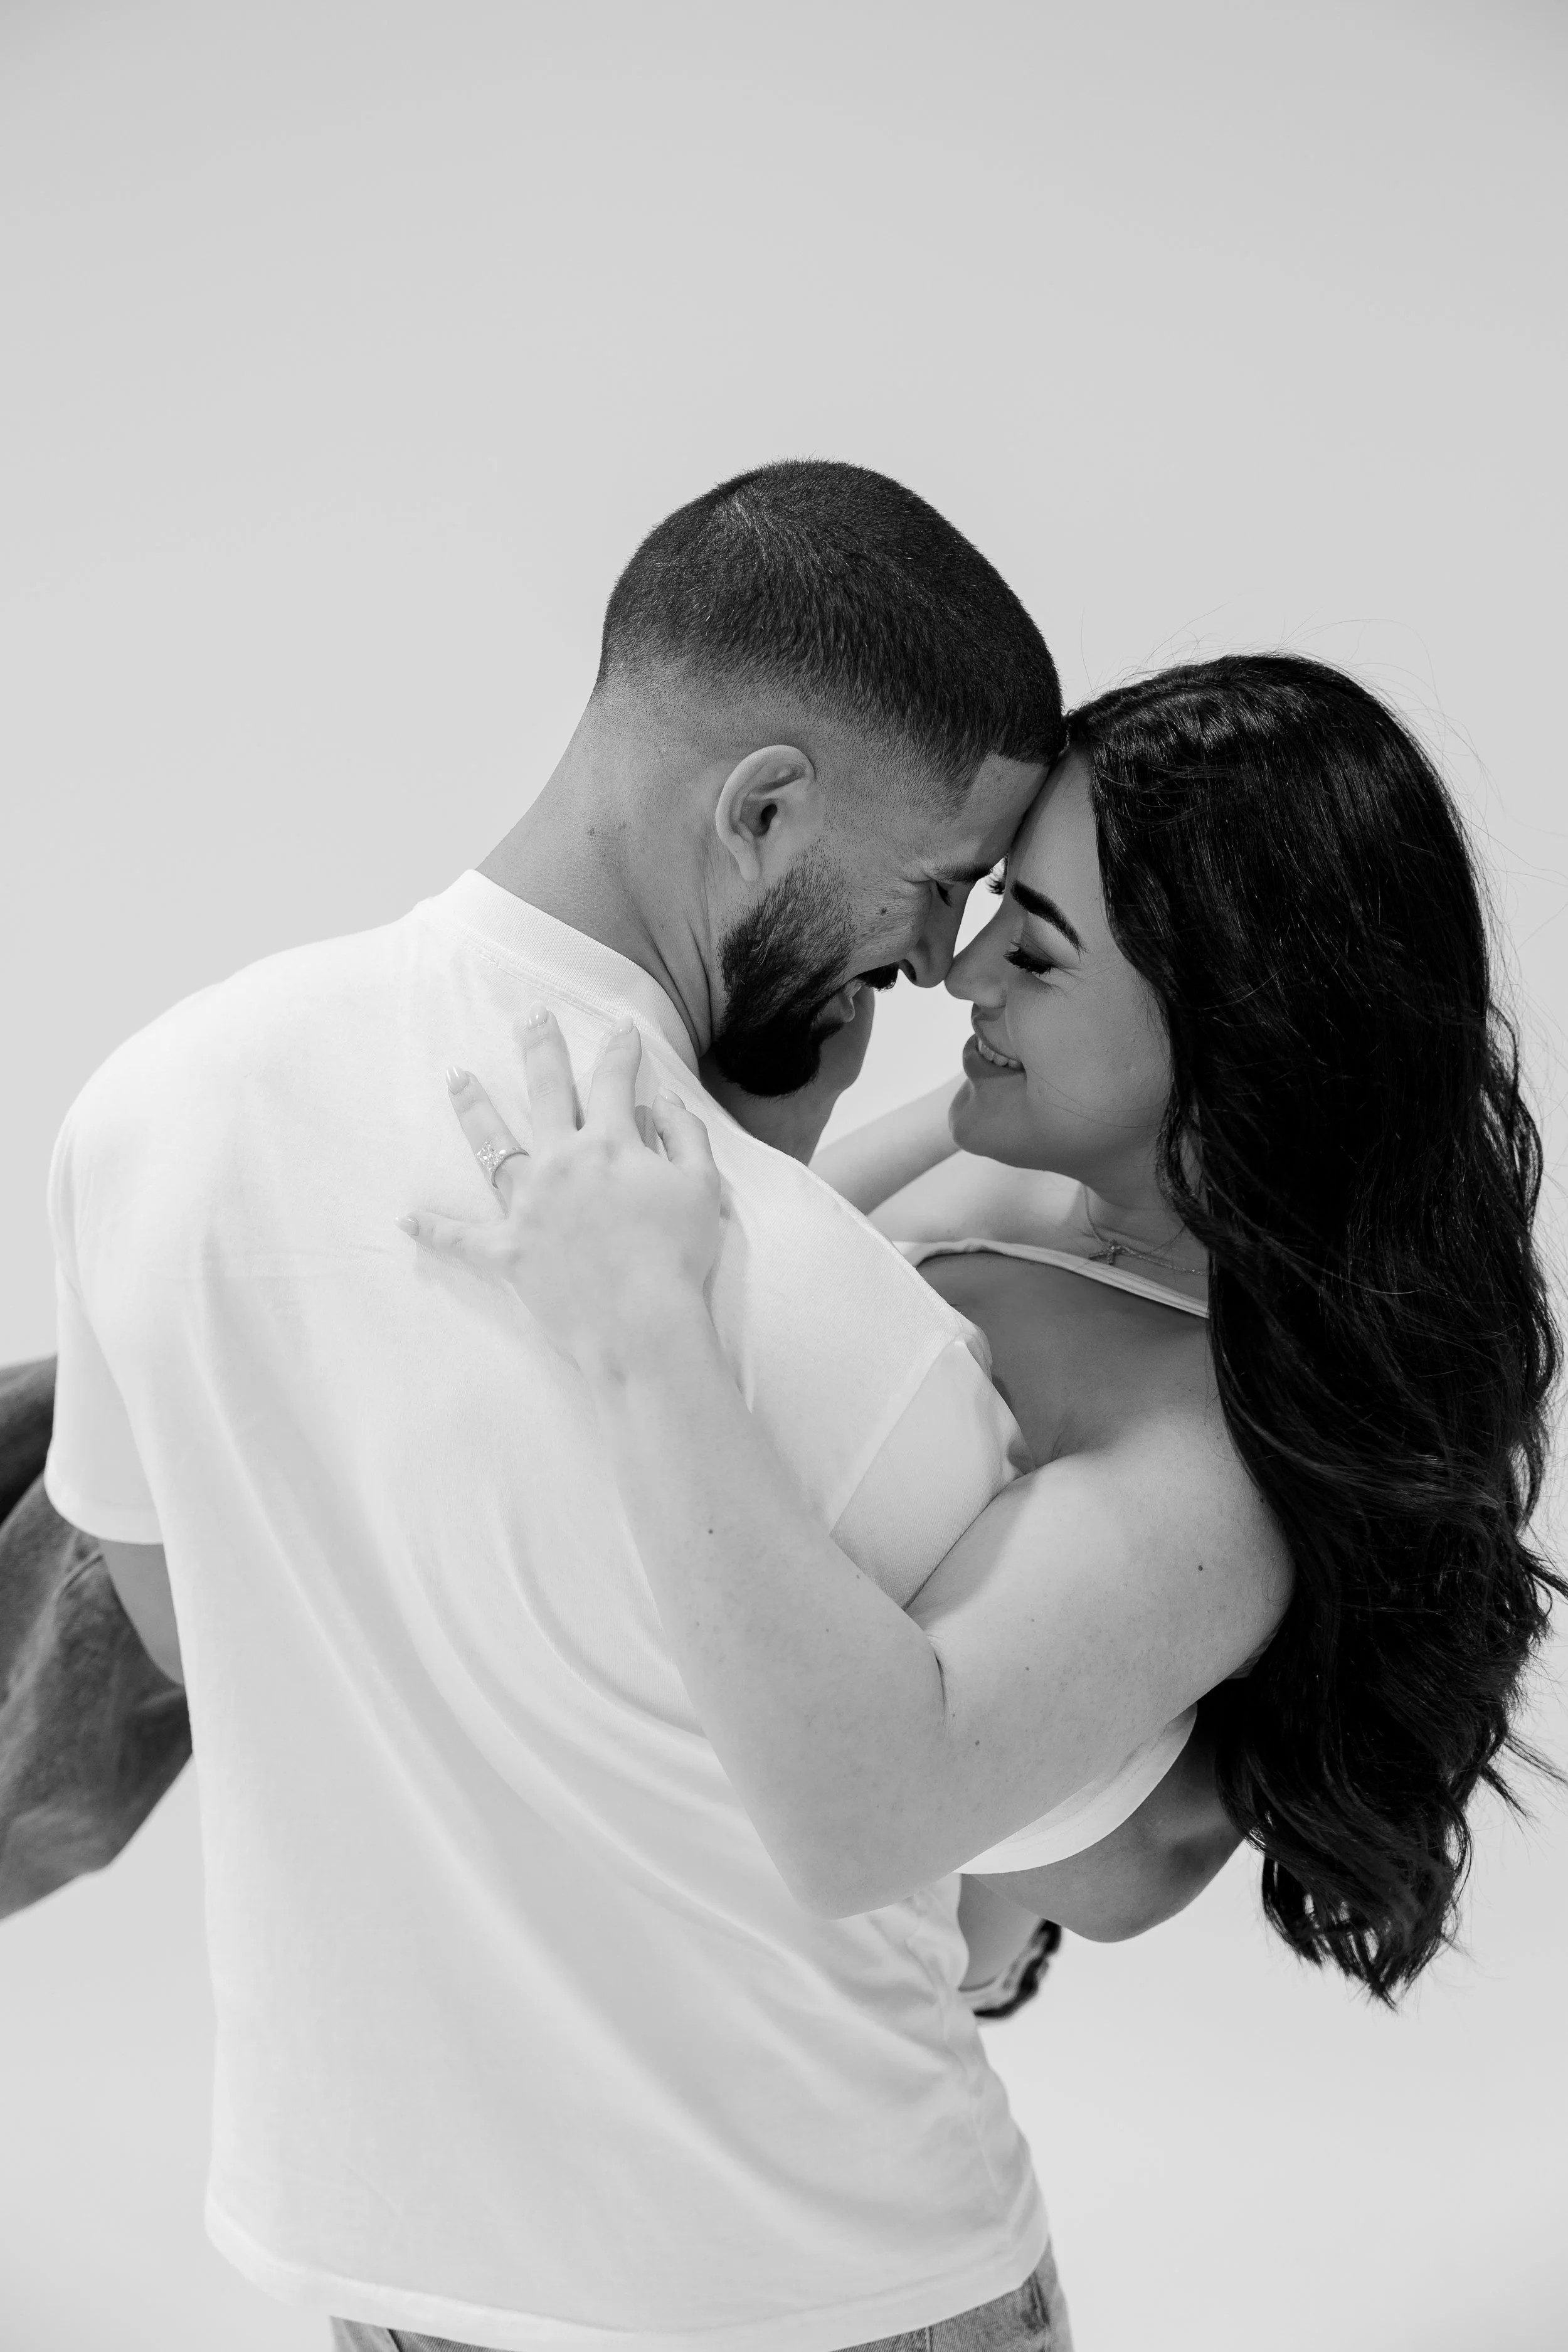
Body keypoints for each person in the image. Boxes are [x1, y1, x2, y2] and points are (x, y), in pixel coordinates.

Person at [41, 461, 1227, 2352]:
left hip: (383, 2272)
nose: (931, 963)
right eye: (932, 891)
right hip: (831, 2285)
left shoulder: (156, 1105)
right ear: (761, 809)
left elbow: (206, 1629)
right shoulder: (845, 1324)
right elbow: (1084, 1841)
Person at [409, 651, 1562, 2011]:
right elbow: (755, 1279)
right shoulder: (1022, 1169)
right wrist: (772, 1135)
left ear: (1231, 1028)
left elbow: (859, 1821)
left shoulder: (1204, 1458)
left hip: (931, 1938)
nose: (957, 974)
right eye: (998, 902)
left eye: (1037, 947)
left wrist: (650, 1331)